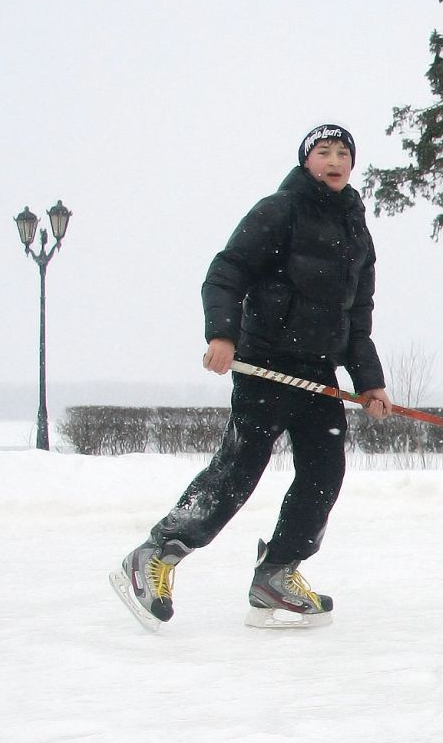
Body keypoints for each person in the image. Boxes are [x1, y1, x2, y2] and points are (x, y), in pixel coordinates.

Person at [111, 124, 393, 631]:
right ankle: (155, 554)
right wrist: (222, 334)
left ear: (353, 164)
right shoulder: (278, 210)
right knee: (239, 469)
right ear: (307, 162)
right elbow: (226, 272)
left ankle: (278, 572)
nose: (334, 160)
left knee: (324, 474)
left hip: (316, 374)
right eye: (323, 152)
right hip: (264, 365)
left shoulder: (357, 232)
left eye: (343, 153)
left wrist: (369, 380)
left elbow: (357, 316)